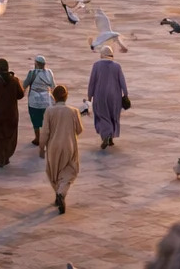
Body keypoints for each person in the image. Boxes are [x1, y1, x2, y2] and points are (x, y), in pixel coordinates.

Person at [39, 84, 83, 213]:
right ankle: (61, 193)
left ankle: (58, 193)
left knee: (54, 172)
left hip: (53, 146)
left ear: (54, 97)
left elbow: (45, 132)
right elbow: (79, 130)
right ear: (66, 96)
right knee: (70, 171)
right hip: (69, 145)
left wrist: (42, 147)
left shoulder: (49, 111)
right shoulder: (73, 111)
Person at [87, 46, 129, 150]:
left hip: (100, 94)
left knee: (102, 116)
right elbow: (122, 81)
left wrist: (89, 96)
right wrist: (126, 95)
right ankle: (110, 138)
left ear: (101, 54)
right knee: (112, 116)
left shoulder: (96, 65)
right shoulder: (117, 66)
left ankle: (106, 136)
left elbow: (92, 82)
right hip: (115, 96)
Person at [23, 55, 55, 146]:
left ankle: (37, 138)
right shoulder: (49, 72)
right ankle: (47, 138)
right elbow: (53, 86)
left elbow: (25, 84)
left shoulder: (32, 73)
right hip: (46, 100)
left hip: (34, 100)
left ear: (36, 63)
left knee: (35, 119)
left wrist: (21, 93)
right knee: (46, 120)